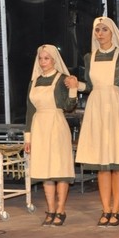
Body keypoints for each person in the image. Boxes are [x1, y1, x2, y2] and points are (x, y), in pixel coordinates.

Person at [66, 17, 119, 228]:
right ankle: (106, 209)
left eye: (104, 29)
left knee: (117, 161)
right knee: (102, 163)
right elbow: (89, 85)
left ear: (112, 32)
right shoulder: (90, 57)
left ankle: (117, 210)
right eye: (97, 30)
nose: (100, 33)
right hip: (96, 106)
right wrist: (77, 85)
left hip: (115, 105)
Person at [24, 44, 77, 227]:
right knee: (45, 170)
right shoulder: (34, 82)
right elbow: (30, 111)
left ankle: (61, 209)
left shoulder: (62, 79)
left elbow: (69, 106)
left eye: (46, 58)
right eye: (40, 58)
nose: (43, 61)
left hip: (56, 124)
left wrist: (73, 89)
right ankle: (51, 209)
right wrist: (28, 138)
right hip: (39, 126)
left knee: (59, 168)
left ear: (54, 60)